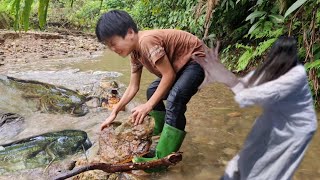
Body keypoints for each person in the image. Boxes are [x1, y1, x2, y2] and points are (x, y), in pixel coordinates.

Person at [95, 10, 207, 171]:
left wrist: (147, 106)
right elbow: (133, 86)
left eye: (113, 43)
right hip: (180, 67)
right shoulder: (135, 53)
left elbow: (168, 75)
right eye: (109, 46)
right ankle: (160, 130)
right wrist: (115, 112)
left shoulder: (146, 41)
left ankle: (163, 158)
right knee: (152, 90)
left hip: (197, 61)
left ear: (130, 33)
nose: (113, 49)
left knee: (175, 99)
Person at [195, 36, 317, 179]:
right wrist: (213, 78)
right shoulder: (272, 70)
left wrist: (229, 80)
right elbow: (246, 83)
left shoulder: (296, 74)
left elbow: (249, 95)